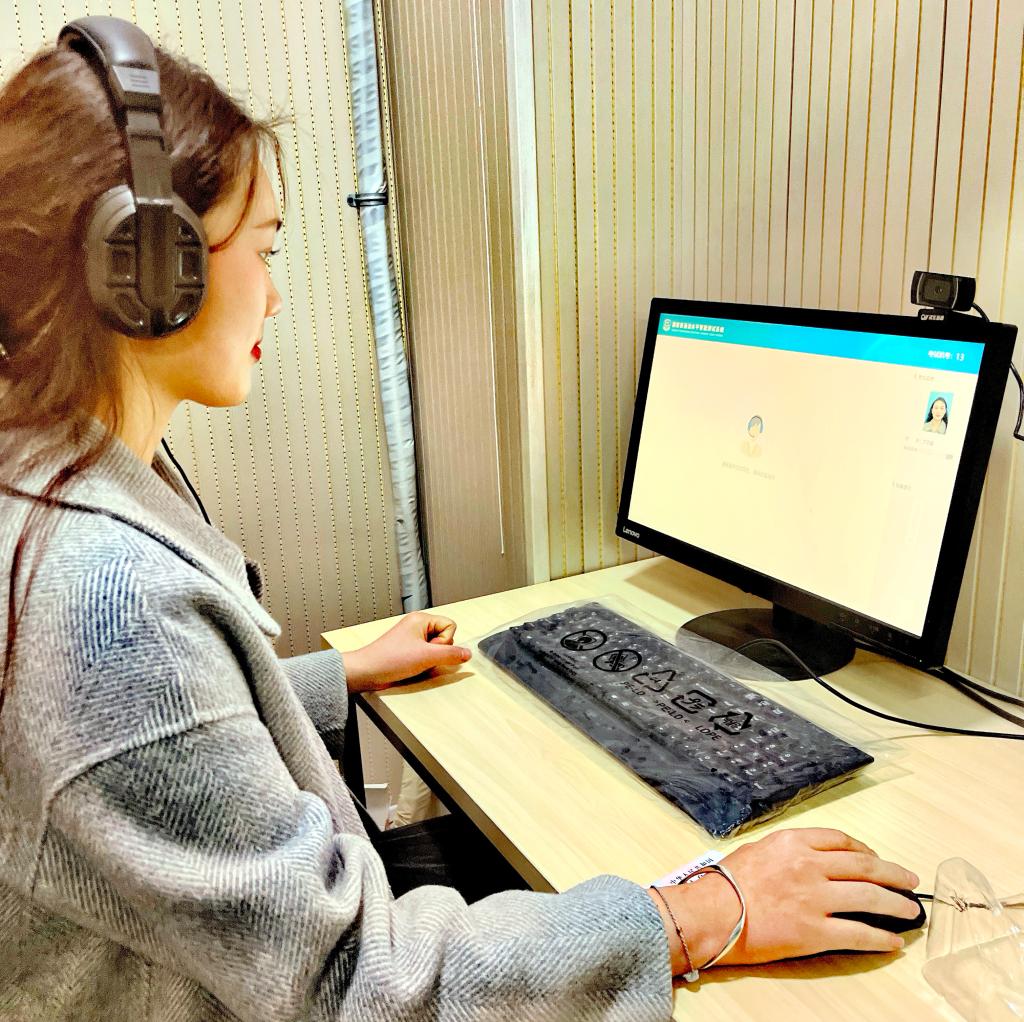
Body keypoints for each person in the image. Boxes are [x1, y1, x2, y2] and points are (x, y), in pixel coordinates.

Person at [0, 22, 923, 1022]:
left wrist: (337, 674)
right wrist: (701, 911)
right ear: (150, 272)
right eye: (263, 248)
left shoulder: (48, 485)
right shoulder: (107, 600)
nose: (275, 292)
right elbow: (358, 987)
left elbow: (147, 743)